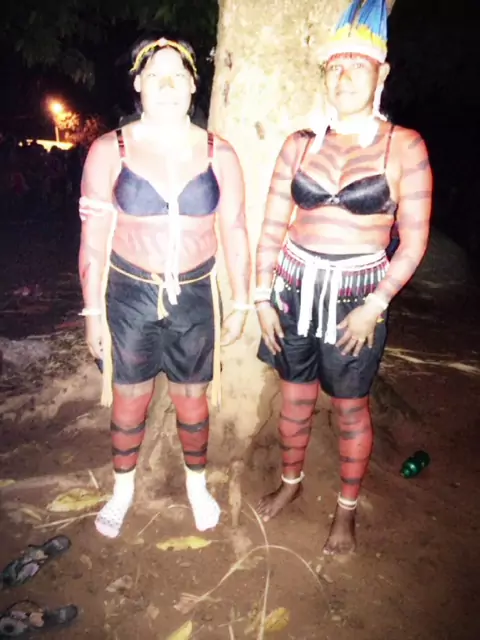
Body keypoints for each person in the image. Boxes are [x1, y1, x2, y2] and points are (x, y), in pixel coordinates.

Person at [254, 0, 432, 555]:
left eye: (358, 65)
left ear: (382, 73)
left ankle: (346, 512)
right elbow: (272, 225)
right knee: (293, 399)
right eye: (335, 66)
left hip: (357, 300)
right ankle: (290, 483)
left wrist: (375, 305)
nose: (344, 75)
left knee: (351, 406)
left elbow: (414, 241)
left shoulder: (404, 146)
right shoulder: (300, 143)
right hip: (291, 291)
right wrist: (261, 296)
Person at [78, 35, 250, 539]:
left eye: (179, 75)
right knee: (129, 395)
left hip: (195, 295)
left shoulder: (220, 152)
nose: (169, 85)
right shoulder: (110, 149)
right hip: (130, 293)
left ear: (194, 85)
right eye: (156, 75)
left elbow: (234, 228)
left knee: (193, 397)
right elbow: (93, 240)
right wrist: (92, 314)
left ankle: (197, 485)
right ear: (138, 84)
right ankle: (122, 490)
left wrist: (242, 301)